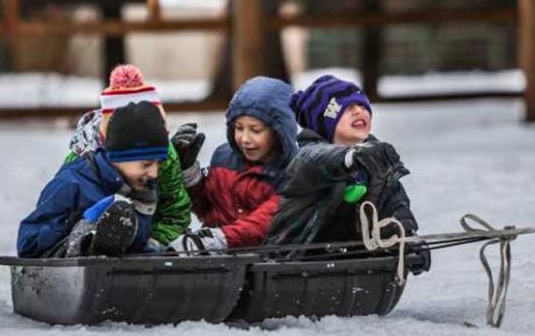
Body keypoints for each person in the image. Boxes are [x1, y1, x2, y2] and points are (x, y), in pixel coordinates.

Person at [266, 74, 430, 274]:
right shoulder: (308, 158)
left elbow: (395, 206)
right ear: (324, 123)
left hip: (356, 262)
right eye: (347, 108)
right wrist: (350, 157)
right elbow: (321, 158)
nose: (358, 111)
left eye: (362, 106)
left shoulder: (375, 159)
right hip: (293, 265)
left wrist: (407, 240)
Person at [17, 102, 170, 258]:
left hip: (118, 276)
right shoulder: (73, 183)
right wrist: (80, 231)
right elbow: (28, 246)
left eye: (159, 163)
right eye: (146, 164)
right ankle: (86, 246)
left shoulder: (143, 189)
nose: (154, 173)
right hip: (68, 272)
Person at [66, 64, 191, 250]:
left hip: (148, 238)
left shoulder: (164, 157)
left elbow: (174, 210)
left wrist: (155, 241)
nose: (153, 171)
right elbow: (61, 214)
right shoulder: (81, 159)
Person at [170, 76, 298, 253]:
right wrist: (188, 172)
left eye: (255, 130)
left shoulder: (293, 171)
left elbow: (263, 224)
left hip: (264, 263)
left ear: (279, 131)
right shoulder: (224, 158)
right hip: (216, 261)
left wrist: (215, 240)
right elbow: (206, 207)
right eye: (238, 128)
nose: (245, 139)